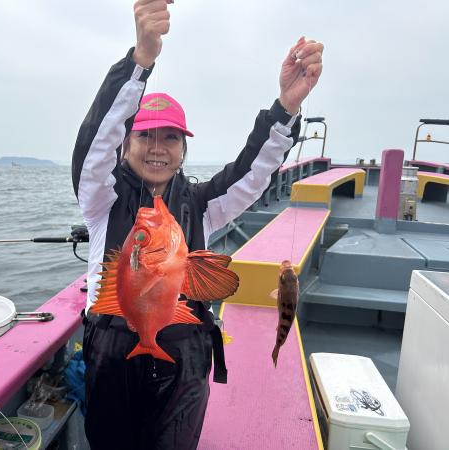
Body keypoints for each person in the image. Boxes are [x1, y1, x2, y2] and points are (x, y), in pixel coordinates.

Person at [71, 1, 324, 448]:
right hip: (112, 357)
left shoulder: (203, 204)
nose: (158, 147)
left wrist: (286, 107)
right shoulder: (102, 199)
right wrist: (140, 60)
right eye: (144, 135)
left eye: (171, 137)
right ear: (125, 143)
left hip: (184, 358)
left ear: (183, 150)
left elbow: (252, 172)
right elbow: (95, 144)